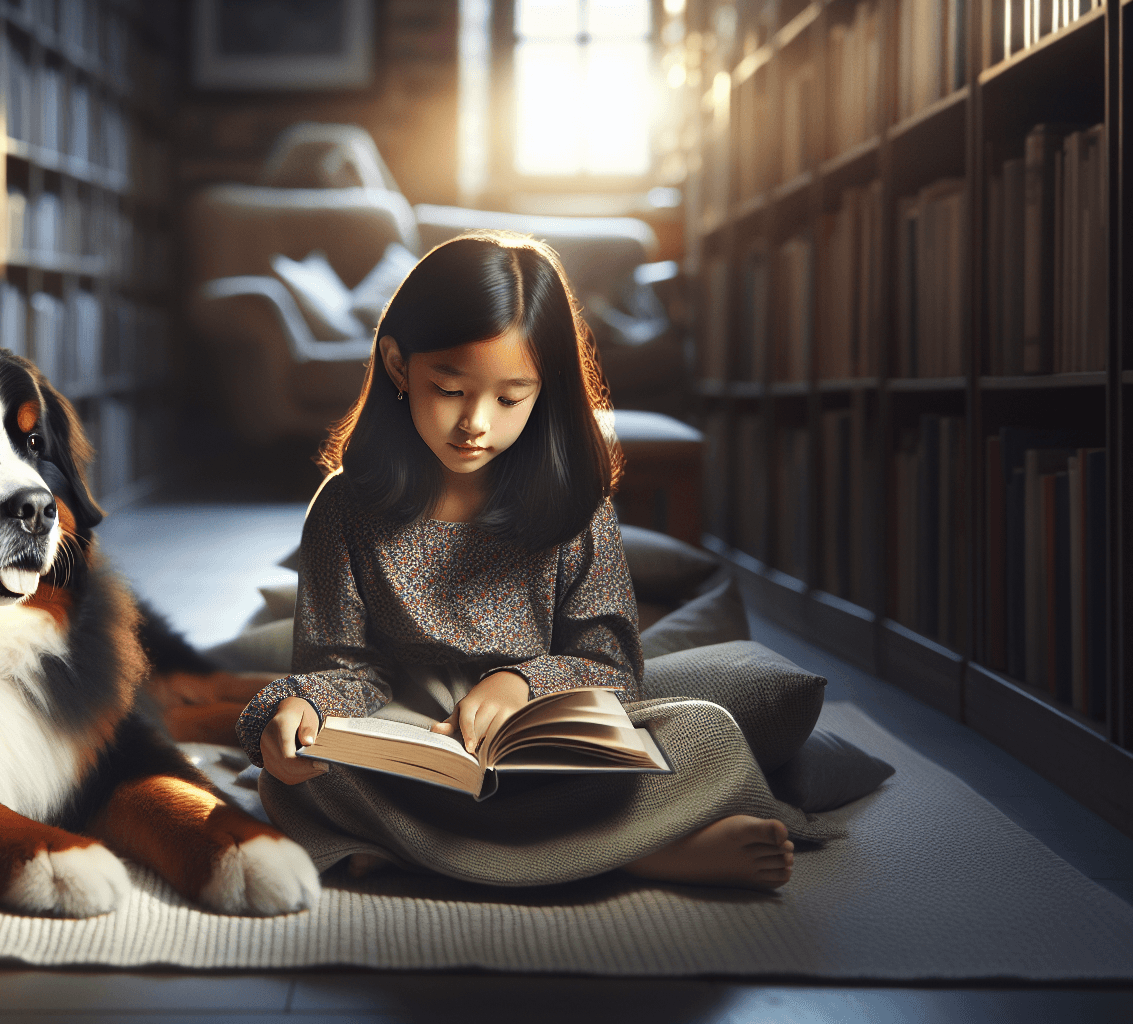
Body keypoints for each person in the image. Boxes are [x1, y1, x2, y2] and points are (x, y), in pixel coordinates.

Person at [235, 233, 824, 890]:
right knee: (294, 780)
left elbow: (609, 664)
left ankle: (422, 853)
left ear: (545, 389)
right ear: (399, 366)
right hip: (416, 741)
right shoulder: (345, 507)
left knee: (707, 731)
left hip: (550, 740)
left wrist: (520, 685)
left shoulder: (576, 502)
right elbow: (340, 670)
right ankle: (638, 852)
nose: (475, 424)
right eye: (450, 388)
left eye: (510, 397)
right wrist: (296, 713)